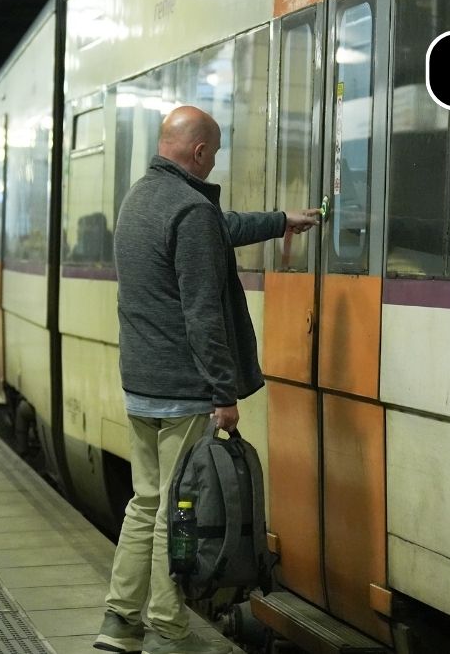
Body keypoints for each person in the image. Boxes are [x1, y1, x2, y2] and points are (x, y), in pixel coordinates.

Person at [94, 106, 319, 654]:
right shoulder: (190, 210)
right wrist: (224, 394)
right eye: (214, 154)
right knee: (179, 511)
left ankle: (120, 623)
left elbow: (220, 230)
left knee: (145, 503)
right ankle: (170, 630)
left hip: (141, 386)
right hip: (183, 390)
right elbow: (203, 313)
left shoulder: (140, 199)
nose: (214, 162)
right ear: (198, 153)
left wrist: (277, 220)